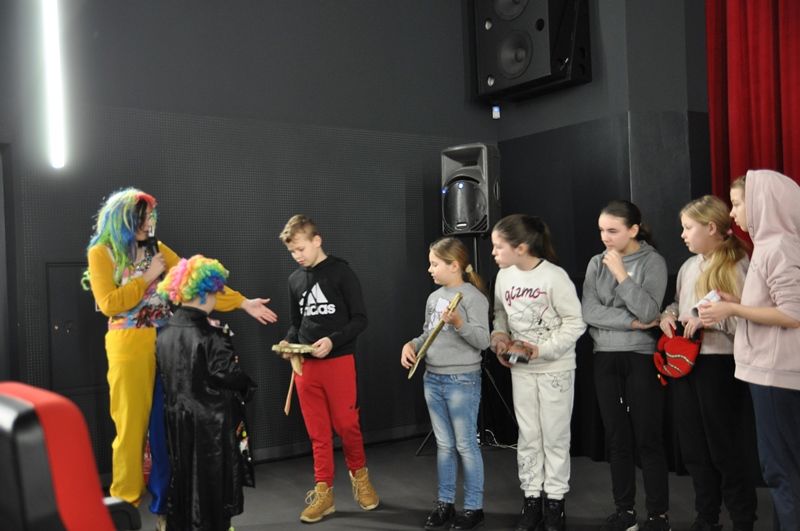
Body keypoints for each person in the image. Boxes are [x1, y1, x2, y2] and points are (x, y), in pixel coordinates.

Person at [83, 187, 277, 528]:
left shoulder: (157, 249)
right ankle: (124, 508)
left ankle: (166, 508)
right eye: (143, 218)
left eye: (150, 218)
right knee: (130, 430)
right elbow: (110, 304)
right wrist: (147, 277)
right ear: (125, 219)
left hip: (167, 344)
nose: (149, 224)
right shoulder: (102, 252)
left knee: (165, 430)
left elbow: (194, 279)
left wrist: (243, 303)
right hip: (128, 347)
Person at [698, 170, 800, 531]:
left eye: (738, 203)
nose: (733, 213)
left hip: (776, 375)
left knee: (781, 472)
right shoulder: (774, 245)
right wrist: (737, 302)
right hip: (773, 373)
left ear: (762, 203)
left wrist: (733, 309)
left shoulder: (778, 248)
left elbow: (792, 313)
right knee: (783, 472)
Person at [659, 195, 757, 531]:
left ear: (711, 228)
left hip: (719, 364)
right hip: (686, 365)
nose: (683, 235)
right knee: (694, 447)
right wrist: (669, 315)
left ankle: (743, 519)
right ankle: (706, 517)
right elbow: (677, 303)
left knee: (724, 447)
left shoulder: (736, 264)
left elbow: (747, 318)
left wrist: (709, 319)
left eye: (688, 228)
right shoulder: (689, 267)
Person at [278, 214, 379, 523]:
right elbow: (297, 324)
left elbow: (360, 319)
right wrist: (288, 343)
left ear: (317, 240)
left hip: (338, 362)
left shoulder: (341, 272)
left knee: (347, 424)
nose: (297, 256)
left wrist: (333, 341)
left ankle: (360, 477)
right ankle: (324, 492)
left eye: (301, 249)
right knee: (317, 432)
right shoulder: (294, 280)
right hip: (305, 367)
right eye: (292, 252)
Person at [489, 214, 586, 531]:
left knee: (555, 436)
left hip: (555, 368)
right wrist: (500, 337)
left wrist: (541, 350)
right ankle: (532, 499)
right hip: (521, 370)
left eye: (498, 246)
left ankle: (555, 502)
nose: (493, 253)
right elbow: (500, 314)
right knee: (528, 435)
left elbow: (575, 323)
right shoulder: (504, 276)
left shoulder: (554, 277)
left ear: (520, 247)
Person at [581, 200, 670, 531]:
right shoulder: (595, 263)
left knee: (648, 437)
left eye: (612, 230)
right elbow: (589, 312)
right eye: (601, 230)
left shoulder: (652, 261)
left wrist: (621, 274)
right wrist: (631, 323)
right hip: (605, 356)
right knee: (617, 438)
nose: (605, 237)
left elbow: (649, 311)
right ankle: (625, 511)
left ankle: (658, 515)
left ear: (633, 230)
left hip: (641, 358)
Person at [156, 255, 256, 531]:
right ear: (206, 293)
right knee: (212, 480)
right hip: (211, 422)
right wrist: (248, 385)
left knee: (183, 475)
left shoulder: (164, 333)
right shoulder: (213, 335)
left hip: (176, 417)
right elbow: (227, 374)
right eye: (216, 293)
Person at [400, 237, 490, 531]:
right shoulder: (434, 298)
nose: (430, 269)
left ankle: (474, 507)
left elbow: (483, 341)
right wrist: (412, 344)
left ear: (454, 265)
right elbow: (428, 334)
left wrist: (459, 323)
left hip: (462, 380)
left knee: (466, 445)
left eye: (434, 264)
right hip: (433, 378)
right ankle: (445, 503)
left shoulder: (473, 298)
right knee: (444, 445)